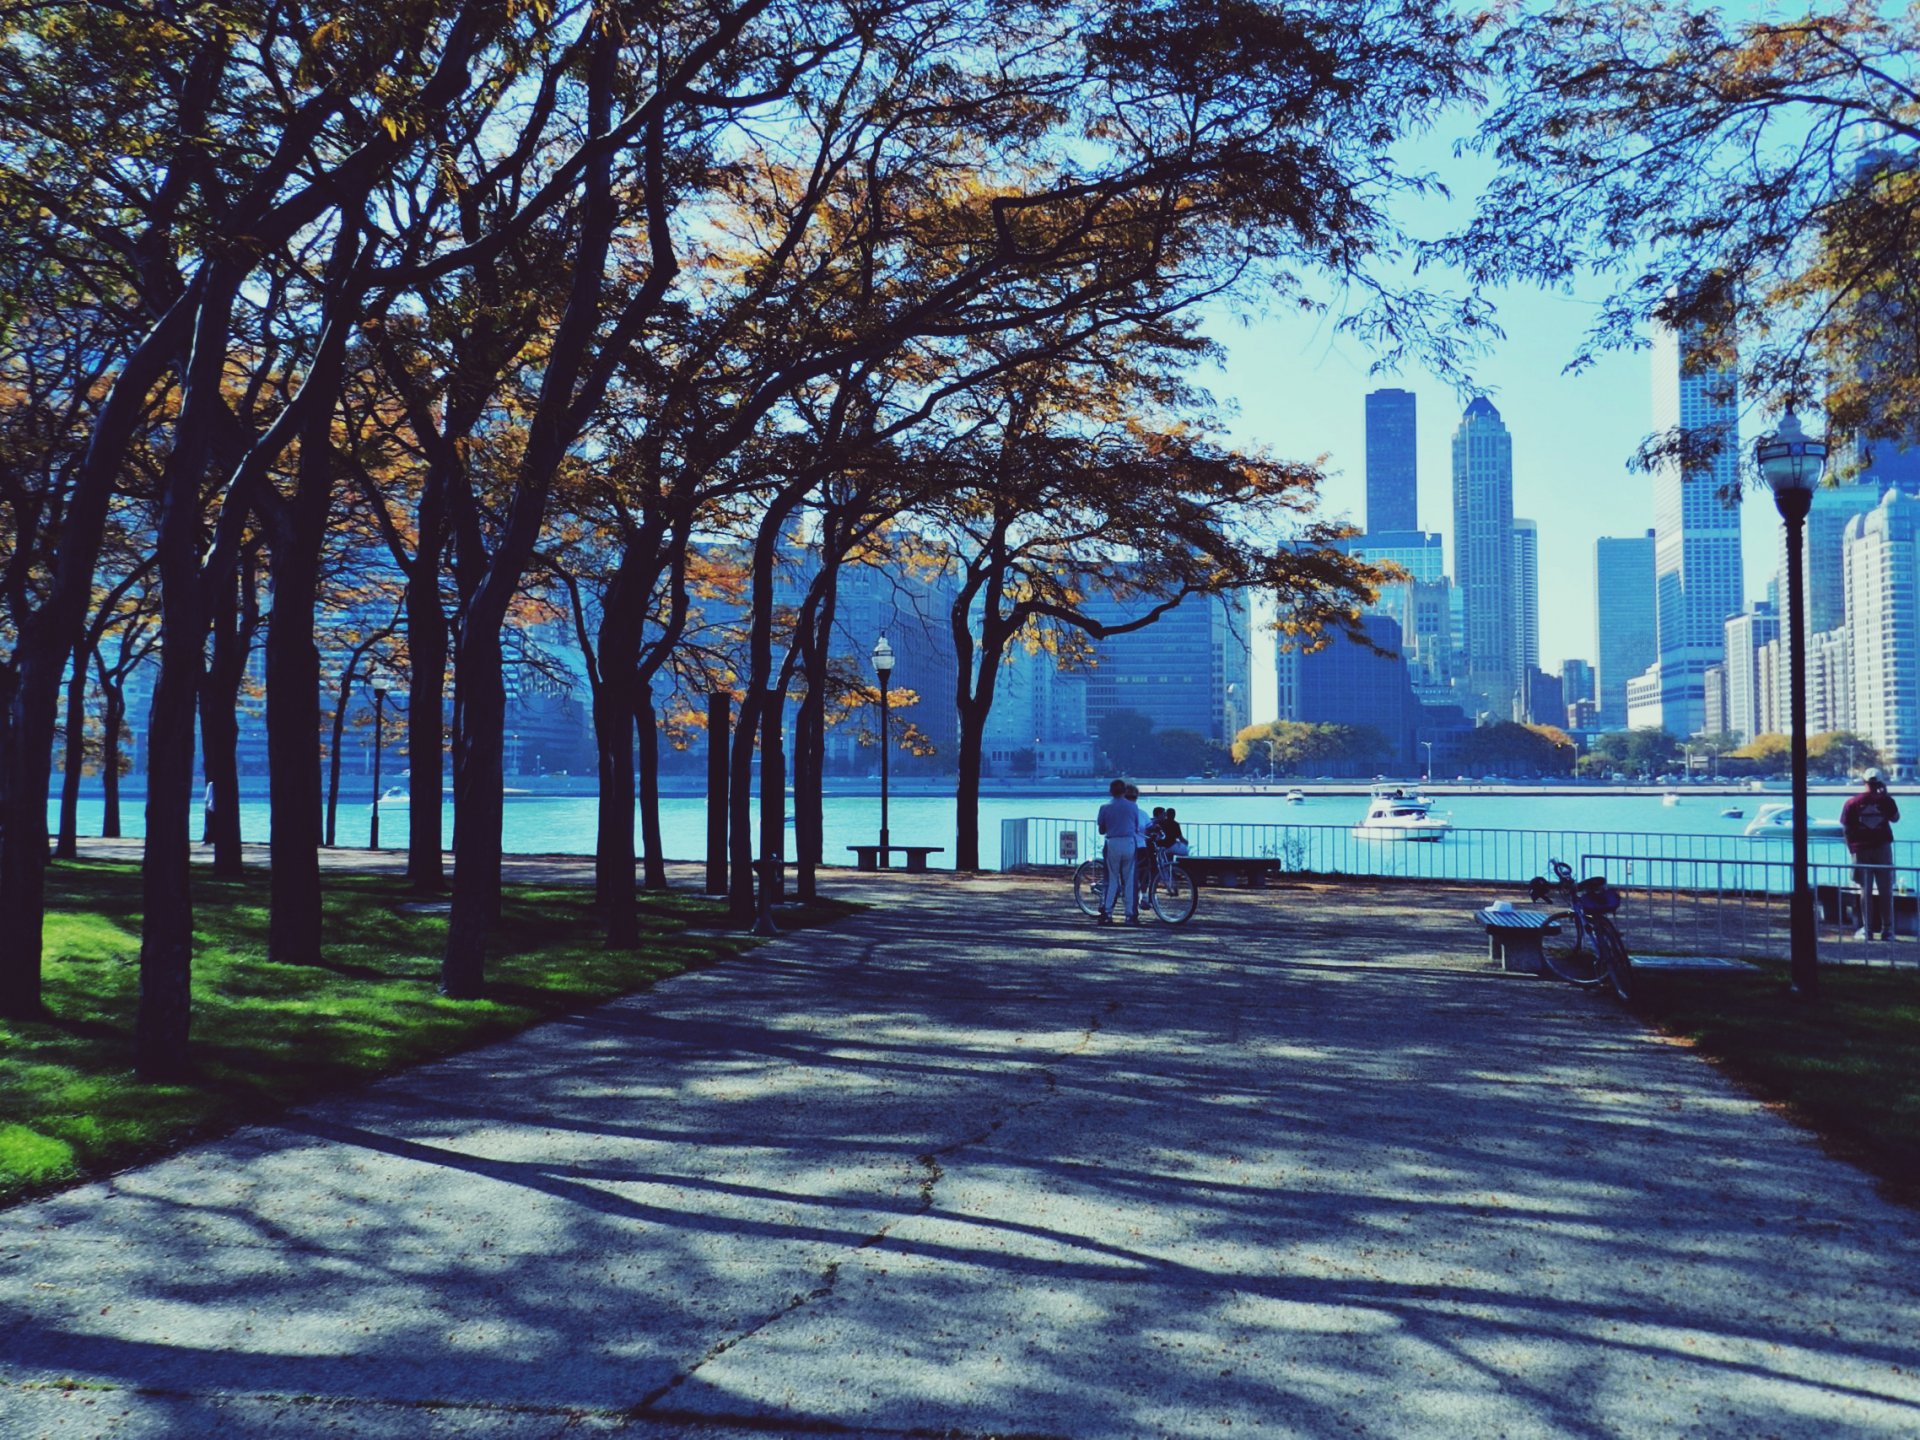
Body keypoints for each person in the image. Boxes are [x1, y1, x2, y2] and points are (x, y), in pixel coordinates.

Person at [1841, 768, 1901, 940]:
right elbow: (1896, 818)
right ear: (1881, 782)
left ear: (1863, 781)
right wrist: (1886, 795)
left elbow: (1846, 828)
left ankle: (1867, 930)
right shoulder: (1887, 801)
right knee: (1885, 889)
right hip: (1883, 848)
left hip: (1860, 850)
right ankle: (1887, 930)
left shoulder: (1852, 803)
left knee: (1864, 890)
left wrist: (1852, 849)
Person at [1095, 778, 1143, 925]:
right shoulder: (1133, 807)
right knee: (1130, 880)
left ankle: (1107, 913)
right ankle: (1130, 915)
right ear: (1124, 791)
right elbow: (1135, 826)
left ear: (1111, 791)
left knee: (1112, 879)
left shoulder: (1104, 807)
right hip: (1129, 842)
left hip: (1113, 843)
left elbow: (1102, 829)